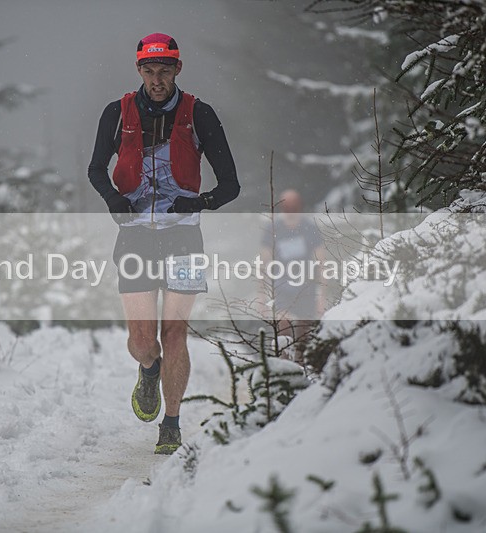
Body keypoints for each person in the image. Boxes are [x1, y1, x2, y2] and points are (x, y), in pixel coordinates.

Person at [88, 33, 239, 454]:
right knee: (142, 341)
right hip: (135, 235)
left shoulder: (199, 114)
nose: (157, 80)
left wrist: (199, 201)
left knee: (175, 334)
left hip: (184, 236)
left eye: (165, 71)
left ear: (178, 69)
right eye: (150, 71)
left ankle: (170, 424)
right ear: (139, 70)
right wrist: (114, 201)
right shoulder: (116, 114)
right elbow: (96, 170)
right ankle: (149, 370)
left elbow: (231, 185)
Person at [259, 189, 326, 360]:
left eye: (293, 207)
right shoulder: (273, 229)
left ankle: (303, 365)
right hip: (281, 287)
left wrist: (322, 293)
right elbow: (264, 260)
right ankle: (284, 366)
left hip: (306, 286)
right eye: (286, 207)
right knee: (283, 328)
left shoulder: (309, 228)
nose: (290, 211)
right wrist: (261, 294)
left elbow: (321, 261)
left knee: (305, 329)